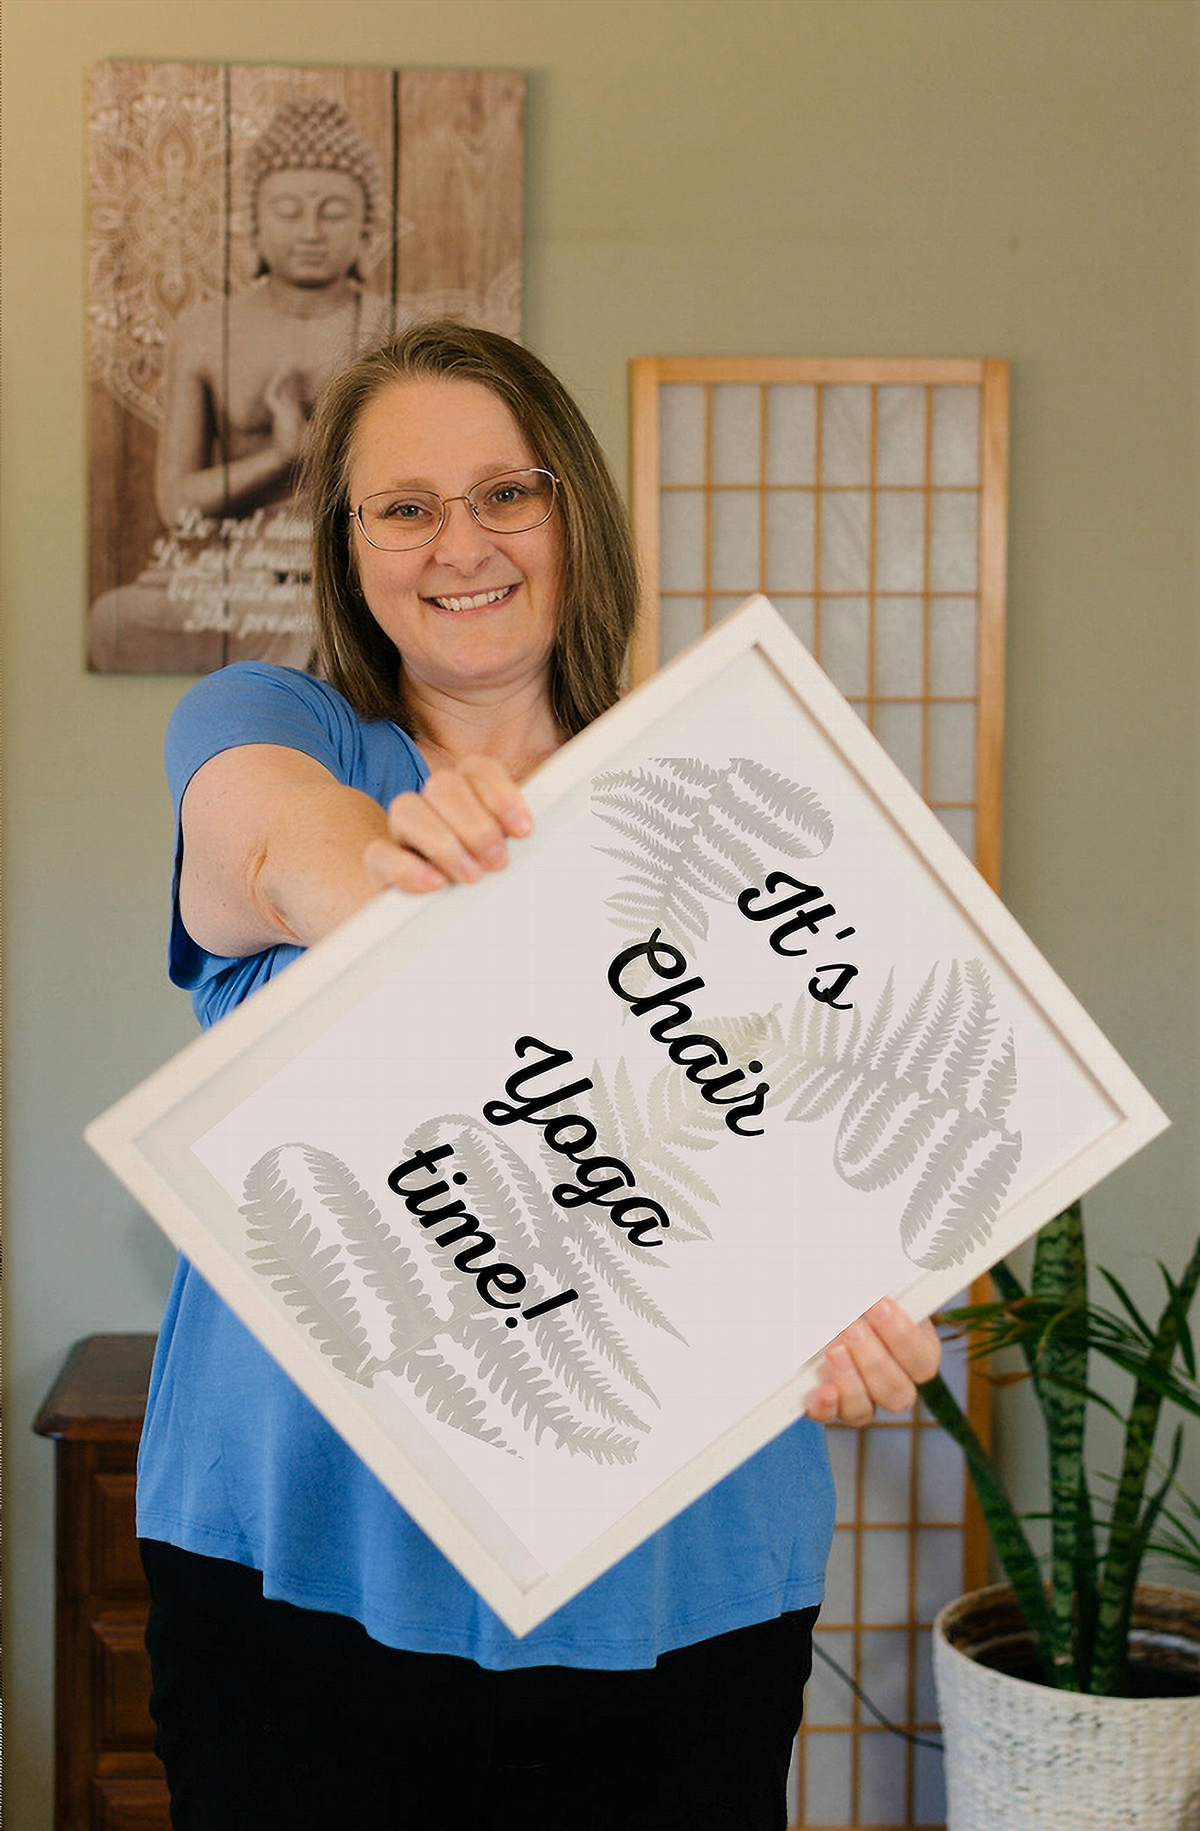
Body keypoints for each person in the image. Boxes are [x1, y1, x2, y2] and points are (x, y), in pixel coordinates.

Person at [138, 320, 941, 1830]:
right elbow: (266, 849)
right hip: (297, 1553)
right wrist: (385, 863)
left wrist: (863, 1302)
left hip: (674, 1577)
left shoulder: (726, 814)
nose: (463, 543)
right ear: (348, 545)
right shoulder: (277, 726)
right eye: (405, 504)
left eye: (507, 492)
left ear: (575, 514)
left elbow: (824, 1146)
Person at [89, 96, 401, 674]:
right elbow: (178, 503)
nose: (310, 231)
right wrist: (283, 459)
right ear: (253, 226)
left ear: (366, 230)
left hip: (354, 570)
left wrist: (331, 458)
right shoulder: (205, 331)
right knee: (113, 620)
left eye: (333, 212)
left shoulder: (396, 329)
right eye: (287, 210)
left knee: (345, 619)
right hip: (235, 573)